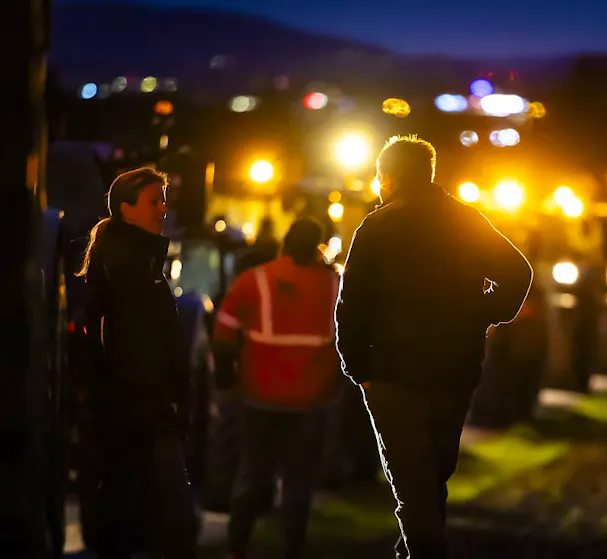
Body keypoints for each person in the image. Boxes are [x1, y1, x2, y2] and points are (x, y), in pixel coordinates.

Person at [335, 135, 533, 558]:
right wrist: (483, 312)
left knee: (413, 484)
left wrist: (359, 370)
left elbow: (351, 305)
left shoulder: (377, 227)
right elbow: (519, 273)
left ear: (387, 179)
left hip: (392, 374)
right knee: (432, 479)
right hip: (455, 369)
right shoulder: (466, 220)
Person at [78, 167, 198, 558]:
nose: (163, 209)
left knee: (145, 511)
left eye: (163, 200)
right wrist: (159, 402)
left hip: (147, 410)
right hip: (138, 412)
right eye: (153, 201)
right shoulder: (122, 270)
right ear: (126, 209)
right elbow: (129, 345)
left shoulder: (142, 265)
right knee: (166, 515)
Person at [213, 218, 342, 559]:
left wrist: (225, 381)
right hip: (311, 401)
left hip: (259, 397)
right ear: (318, 246)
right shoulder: (333, 286)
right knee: (298, 483)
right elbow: (348, 343)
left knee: (252, 474)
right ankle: (292, 549)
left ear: (285, 241)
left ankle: (236, 546)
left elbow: (224, 333)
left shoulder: (254, 280)